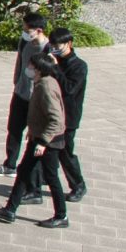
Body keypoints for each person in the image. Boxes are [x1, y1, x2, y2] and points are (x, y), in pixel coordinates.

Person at [0, 62, 70, 227]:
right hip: (38, 139)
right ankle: (10, 210)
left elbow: (56, 120)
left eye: (32, 66)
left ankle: (61, 215)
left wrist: (42, 142)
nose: (29, 69)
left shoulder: (46, 87)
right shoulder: (43, 83)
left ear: (39, 69)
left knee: (51, 177)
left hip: (46, 143)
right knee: (24, 172)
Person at [2, 13, 50, 175]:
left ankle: (37, 171)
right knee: (14, 130)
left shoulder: (47, 49)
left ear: (39, 30)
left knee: (35, 135)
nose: (24, 31)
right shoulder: (24, 42)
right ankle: (10, 164)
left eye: (27, 28)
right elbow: (19, 62)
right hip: (20, 93)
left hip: (36, 99)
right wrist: (16, 82)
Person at [49, 30, 90, 200]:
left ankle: (78, 185)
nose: (55, 49)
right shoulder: (54, 59)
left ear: (69, 44)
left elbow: (69, 89)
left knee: (65, 152)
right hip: (52, 112)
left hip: (68, 117)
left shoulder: (79, 66)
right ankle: (35, 185)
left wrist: (55, 68)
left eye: (58, 46)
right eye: (53, 45)